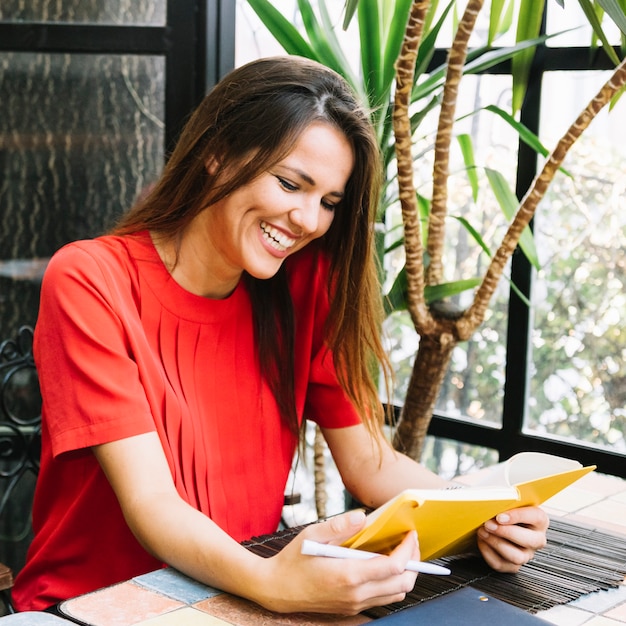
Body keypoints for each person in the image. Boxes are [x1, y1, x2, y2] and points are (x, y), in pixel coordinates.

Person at [12, 56, 548, 615]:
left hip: (236, 600)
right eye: (291, 184)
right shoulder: (92, 280)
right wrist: (274, 584)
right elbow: (153, 503)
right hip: (95, 607)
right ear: (217, 154)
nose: (308, 220)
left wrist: (489, 513)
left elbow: (371, 465)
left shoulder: (305, 284)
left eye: (330, 202)